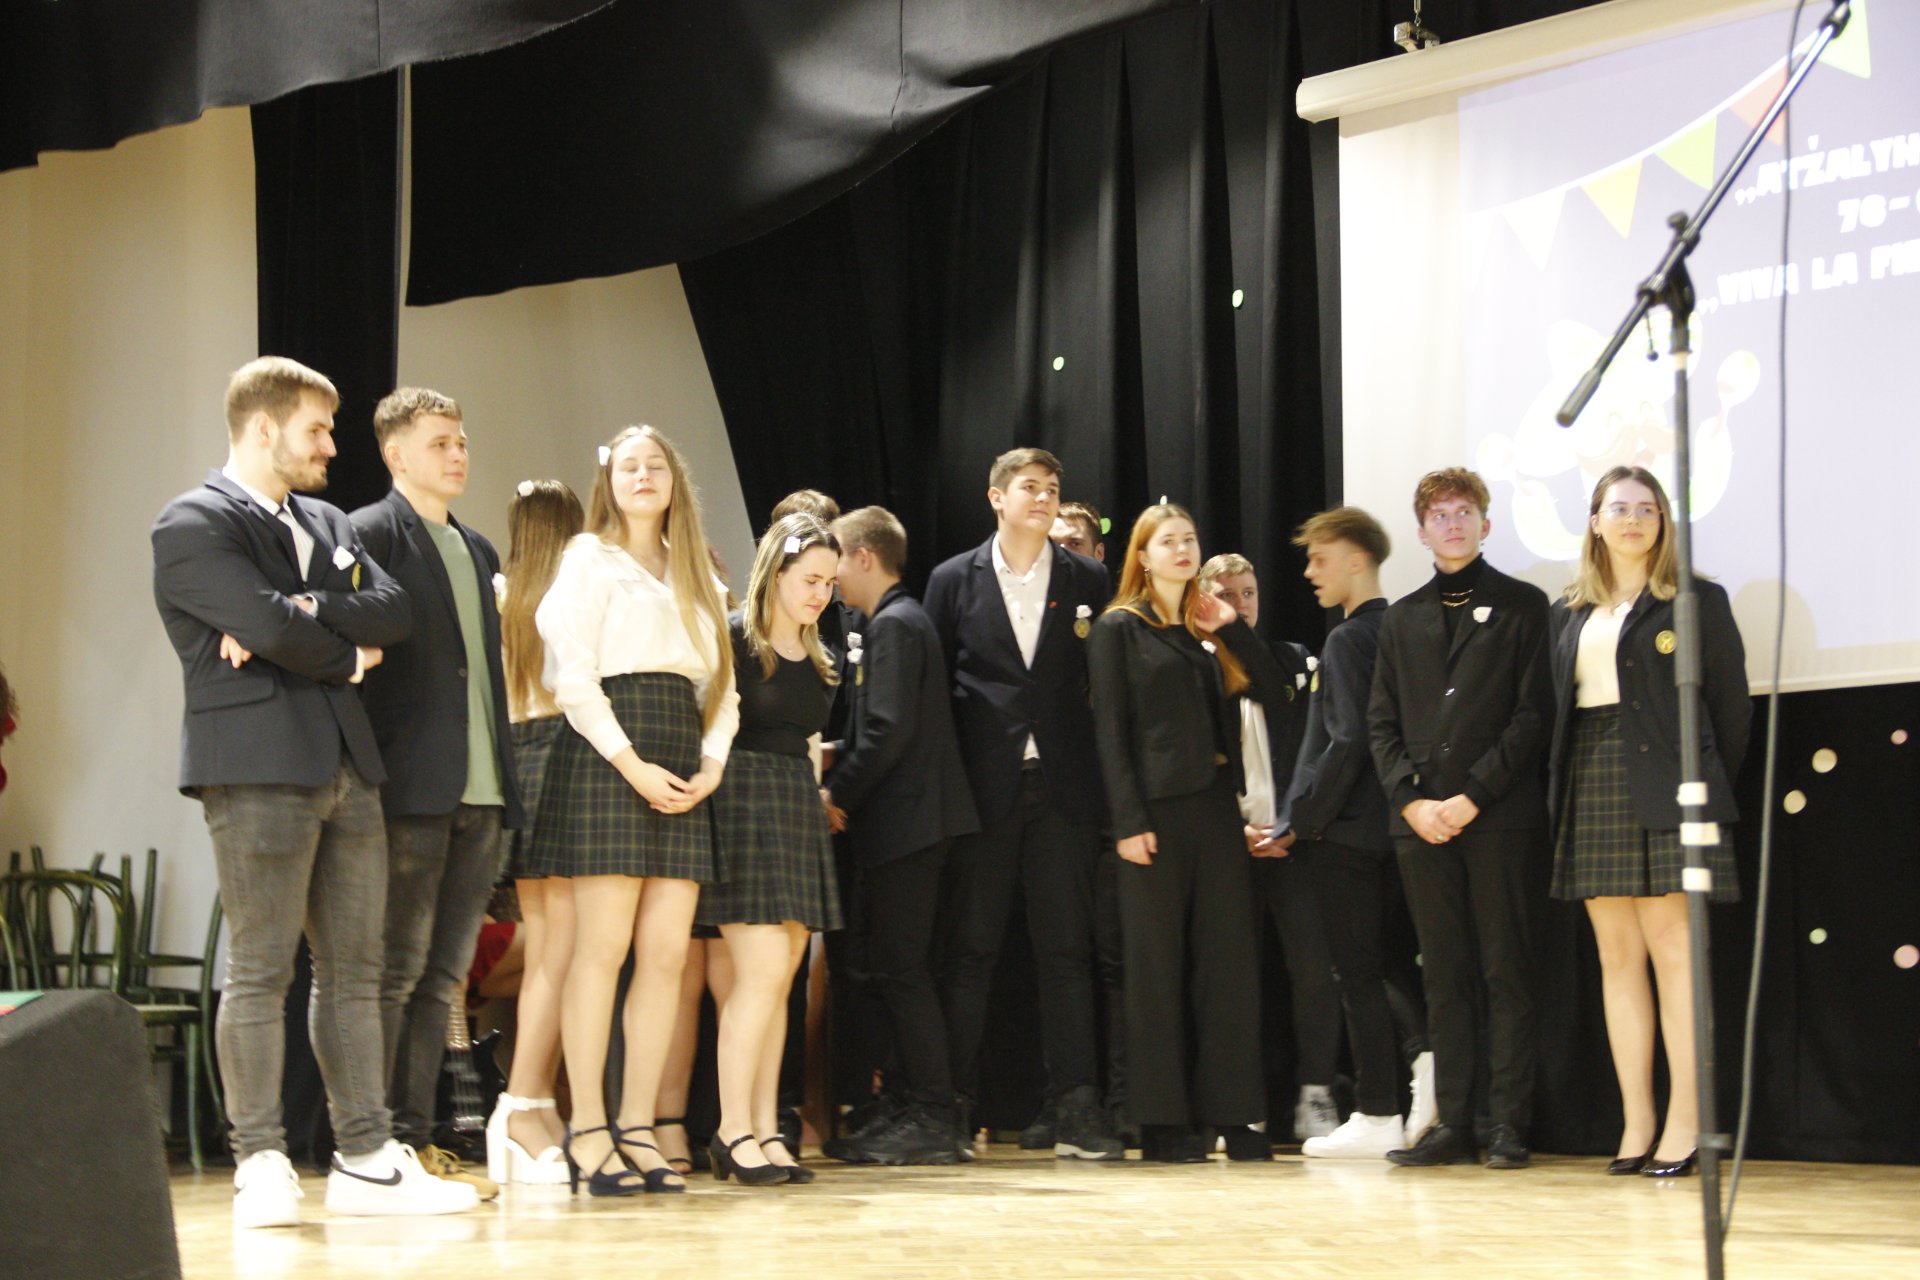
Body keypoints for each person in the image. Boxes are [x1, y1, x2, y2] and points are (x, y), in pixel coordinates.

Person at [151, 355, 477, 1225]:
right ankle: (259, 1160)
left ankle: (366, 1156)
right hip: (256, 766)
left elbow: (395, 612)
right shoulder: (190, 523)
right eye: (318, 430)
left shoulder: (329, 520)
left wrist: (303, 611)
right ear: (264, 428)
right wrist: (340, 649)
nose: (332, 446)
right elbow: (262, 623)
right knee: (261, 969)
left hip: (348, 766)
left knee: (356, 973)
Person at [522, 425, 739, 1196]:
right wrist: (631, 763)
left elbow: (724, 687)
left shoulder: (697, 573)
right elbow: (571, 677)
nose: (643, 476)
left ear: (674, 480)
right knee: (601, 949)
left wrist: (711, 764)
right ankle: (589, 1129)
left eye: (655, 466)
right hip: (610, 753)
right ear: (608, 484)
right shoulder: (588, 559)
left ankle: (639, 1127)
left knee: (667, 957)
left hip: (682, 753)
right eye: (628, 467)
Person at [1547, 465, 1749, 1178]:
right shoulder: (1569, 610)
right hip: (1593, 773)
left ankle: (1687, 1122)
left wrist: (1700, 784)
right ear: (1594, 522)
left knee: (1674, 951)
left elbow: (1730, 709)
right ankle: (1637, 1121)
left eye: (1646, 508)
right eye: (1618, 508)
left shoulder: (1694, 600)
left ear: (1664, 521)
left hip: (1672, 779)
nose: (1632, 520)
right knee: (1616, 957)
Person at [923, 448, 1122, 1160]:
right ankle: (951, 1107)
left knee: (1066, 953)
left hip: (1064, 790)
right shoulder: (952, 580)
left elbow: (1103, 688)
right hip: (984, 792)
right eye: (1029, 487)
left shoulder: (1088, 578)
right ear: (996, 497)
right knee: (971, 951)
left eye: (1053, 489)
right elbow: (936, 692)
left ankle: (1077, 1107)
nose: (1042, 498)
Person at [350, 388, 521, 1199]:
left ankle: (415, 1142)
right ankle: (374, 1142)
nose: (457, 454)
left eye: (461, 441)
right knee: (395, 970)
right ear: (396, 454)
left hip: (482, 792)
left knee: (443, 977)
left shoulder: (479, 548)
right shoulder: (369, 534)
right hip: (411, 788)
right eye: (440, 442)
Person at [1369, 469, 1552, 1170]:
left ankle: (1507, 1123)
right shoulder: (1401, 617)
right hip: (1421, 825)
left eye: (1464, 512)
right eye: (1440, 515)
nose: (1452, 524)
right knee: (1443, 975)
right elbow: (1380, 723)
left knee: (1506, 971)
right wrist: (1412, 801)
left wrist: (1473, 796)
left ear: (1486, 523)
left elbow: (1532, 716)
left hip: (1497, 817)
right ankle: (1454, 1122)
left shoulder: (1523, 606)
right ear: (1421, 532)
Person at [1087, 503, 1279, 1163]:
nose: (1181, 549)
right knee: (1156, 966)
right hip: (1154, 816)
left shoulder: (1207, 626)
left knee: (1227, 965)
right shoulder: (1119, 628)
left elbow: (1273, 689)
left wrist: (1232, 627)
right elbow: (1109, 730)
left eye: (1189, 539)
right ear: (1142, 556)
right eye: (1167, 541)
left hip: (1215, 809)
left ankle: (1235, 1115)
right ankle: (1163, 1120)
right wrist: (1127, 821)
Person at [820, 506, 980, 1164]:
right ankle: (912, 1103)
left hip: (910, 824)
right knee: (894, 969)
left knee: (903, 971)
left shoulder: (894, 625)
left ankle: (933, 1114)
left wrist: (837, 793)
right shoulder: (894, 621)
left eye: (836, 559)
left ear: (863, 557)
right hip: (911, 823)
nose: (830, 575)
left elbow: (886, 729)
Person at [695, 514, 846, 1185]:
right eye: (810, 579)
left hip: (793, 806)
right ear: (776, 573)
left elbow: (808, 743)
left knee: (780, 980)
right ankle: (731, 1129)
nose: (820, 593)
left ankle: (764, 1126)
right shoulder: (732, 638)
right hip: (741, 801)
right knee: (757, 976)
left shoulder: (820, 657)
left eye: (829, 583)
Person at [1268, 507, 1405, 1161]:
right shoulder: (1399, 629)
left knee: (1356, 973)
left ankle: (1378, 1111)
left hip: (1346, 832)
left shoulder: (1349, 640)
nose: (1309, 572)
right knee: (1388, 967)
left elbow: (1347, 740)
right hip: (1393, 827)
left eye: (1320, 559)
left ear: (1357, 560)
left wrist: (1305, 821)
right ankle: (1419, 1077)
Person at [1197, 552, 1340, 1143]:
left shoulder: (1290, 660)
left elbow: (1314, 745)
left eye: (1249, 592)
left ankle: (1316, 1093)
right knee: (1232, 978)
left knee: (1313, 969)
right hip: (1224, 844)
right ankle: (1241, 1100)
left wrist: (1294, 824)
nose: (1240, 604)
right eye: (1227, 594)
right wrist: (1231, 830)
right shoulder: (1195, 665)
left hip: (1289, 842)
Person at [485, 478, 585, 1185]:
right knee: (560, 951)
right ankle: (522, 1102)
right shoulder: (571, 594)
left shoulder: (501, 595)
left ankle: (534, 1100)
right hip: (563, 756)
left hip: (517, 762)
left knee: (555, 948)